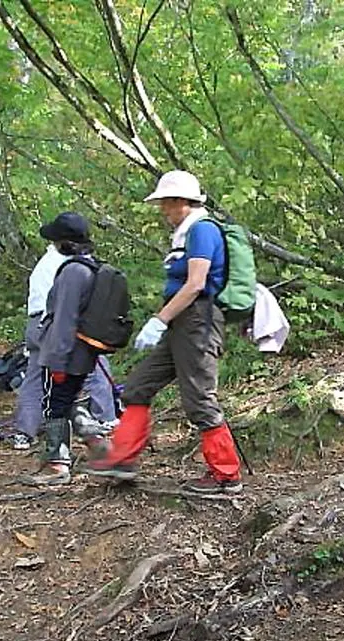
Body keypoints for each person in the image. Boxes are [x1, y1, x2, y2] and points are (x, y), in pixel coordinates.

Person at [89, 170, 242, 495]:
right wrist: (165, 322)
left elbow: (196, 283)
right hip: (181, 323)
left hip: (198, 322)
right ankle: (123, 460)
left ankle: (226, 475)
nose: (163, 211)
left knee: (199, 399)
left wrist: (159, 319)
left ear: (180, 201)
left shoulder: (202, 230)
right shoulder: (185, 233)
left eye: (165, 204)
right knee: (138, 387)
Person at [11, 238, 118, 451]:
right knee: (95, 366)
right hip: (55, 322)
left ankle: (25, 432)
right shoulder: (71, 267)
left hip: (35, 323)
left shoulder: (44, 262)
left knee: (34, 377)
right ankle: (105, 418)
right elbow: (68, 306)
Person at [25, 212, 107, 485]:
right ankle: (101, 449)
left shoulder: (72, 272)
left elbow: (63, 319)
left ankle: (57, 466)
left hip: (66, 352)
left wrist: (56, 361)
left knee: (55, 404)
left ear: (64, 242)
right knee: (73, 401)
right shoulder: (92, 266)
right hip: (84, 350)